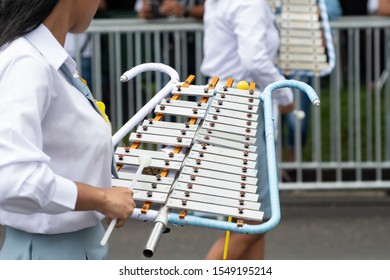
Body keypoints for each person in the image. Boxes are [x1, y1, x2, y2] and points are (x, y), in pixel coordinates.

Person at [0, 0, 136, 260]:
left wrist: (106, 193)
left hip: (77, 245)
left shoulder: (44, 58)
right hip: (47, 254)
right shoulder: (27, 62)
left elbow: (63, 153)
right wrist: (101, 198)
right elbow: (13, 178)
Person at [200, 0, 294, 260]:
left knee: (247, 217)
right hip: (243, 107)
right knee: (256, 221)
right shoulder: (249, 2)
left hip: (225, 103)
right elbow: (254, 60)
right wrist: (286, 96)